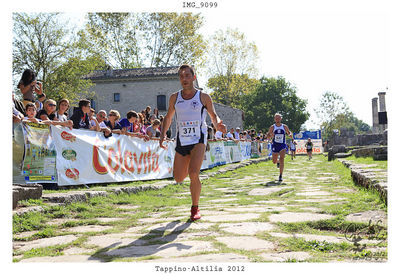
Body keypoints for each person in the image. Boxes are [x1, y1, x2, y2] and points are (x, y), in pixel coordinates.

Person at [159, 64, 227, 221]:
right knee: (178, 178)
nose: (184, 79)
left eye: (187, 75)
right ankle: (188, 161)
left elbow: (213, 115)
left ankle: (195, 208)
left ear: (194, 77)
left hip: (199, 138)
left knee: (194, 172)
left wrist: (218, 125)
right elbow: (168, 118)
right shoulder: (174, 98)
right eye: (181, 76)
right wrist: (163, 134)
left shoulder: (203, 97)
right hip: (182, 139)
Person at [267, 113, 293, 182]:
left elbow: (289, 132)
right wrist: (270, 135)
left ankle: (280, 175)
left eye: (278, 118)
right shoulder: (272, 127)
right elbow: (268, 136)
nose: (277, 119)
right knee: (274, 161)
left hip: (282, 145)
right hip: (275, 144)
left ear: (281, 118)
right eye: (276, 118)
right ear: (274, 119)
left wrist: (290, 135)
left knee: (282, 159)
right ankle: (277, 162)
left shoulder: (284, 126)